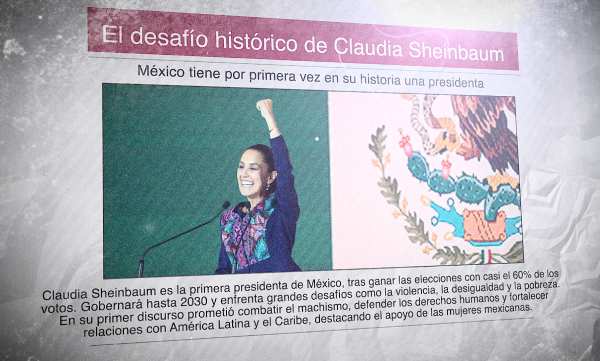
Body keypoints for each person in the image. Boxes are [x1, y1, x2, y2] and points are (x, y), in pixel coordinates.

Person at [215, 99, 301, 274]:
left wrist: (270, 121)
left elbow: (285, 172)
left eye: (253, 168)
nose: (244, 174)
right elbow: (223, 270)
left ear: (270, 177)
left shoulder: (281, 210)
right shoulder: (229, 219)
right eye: (241, 166)